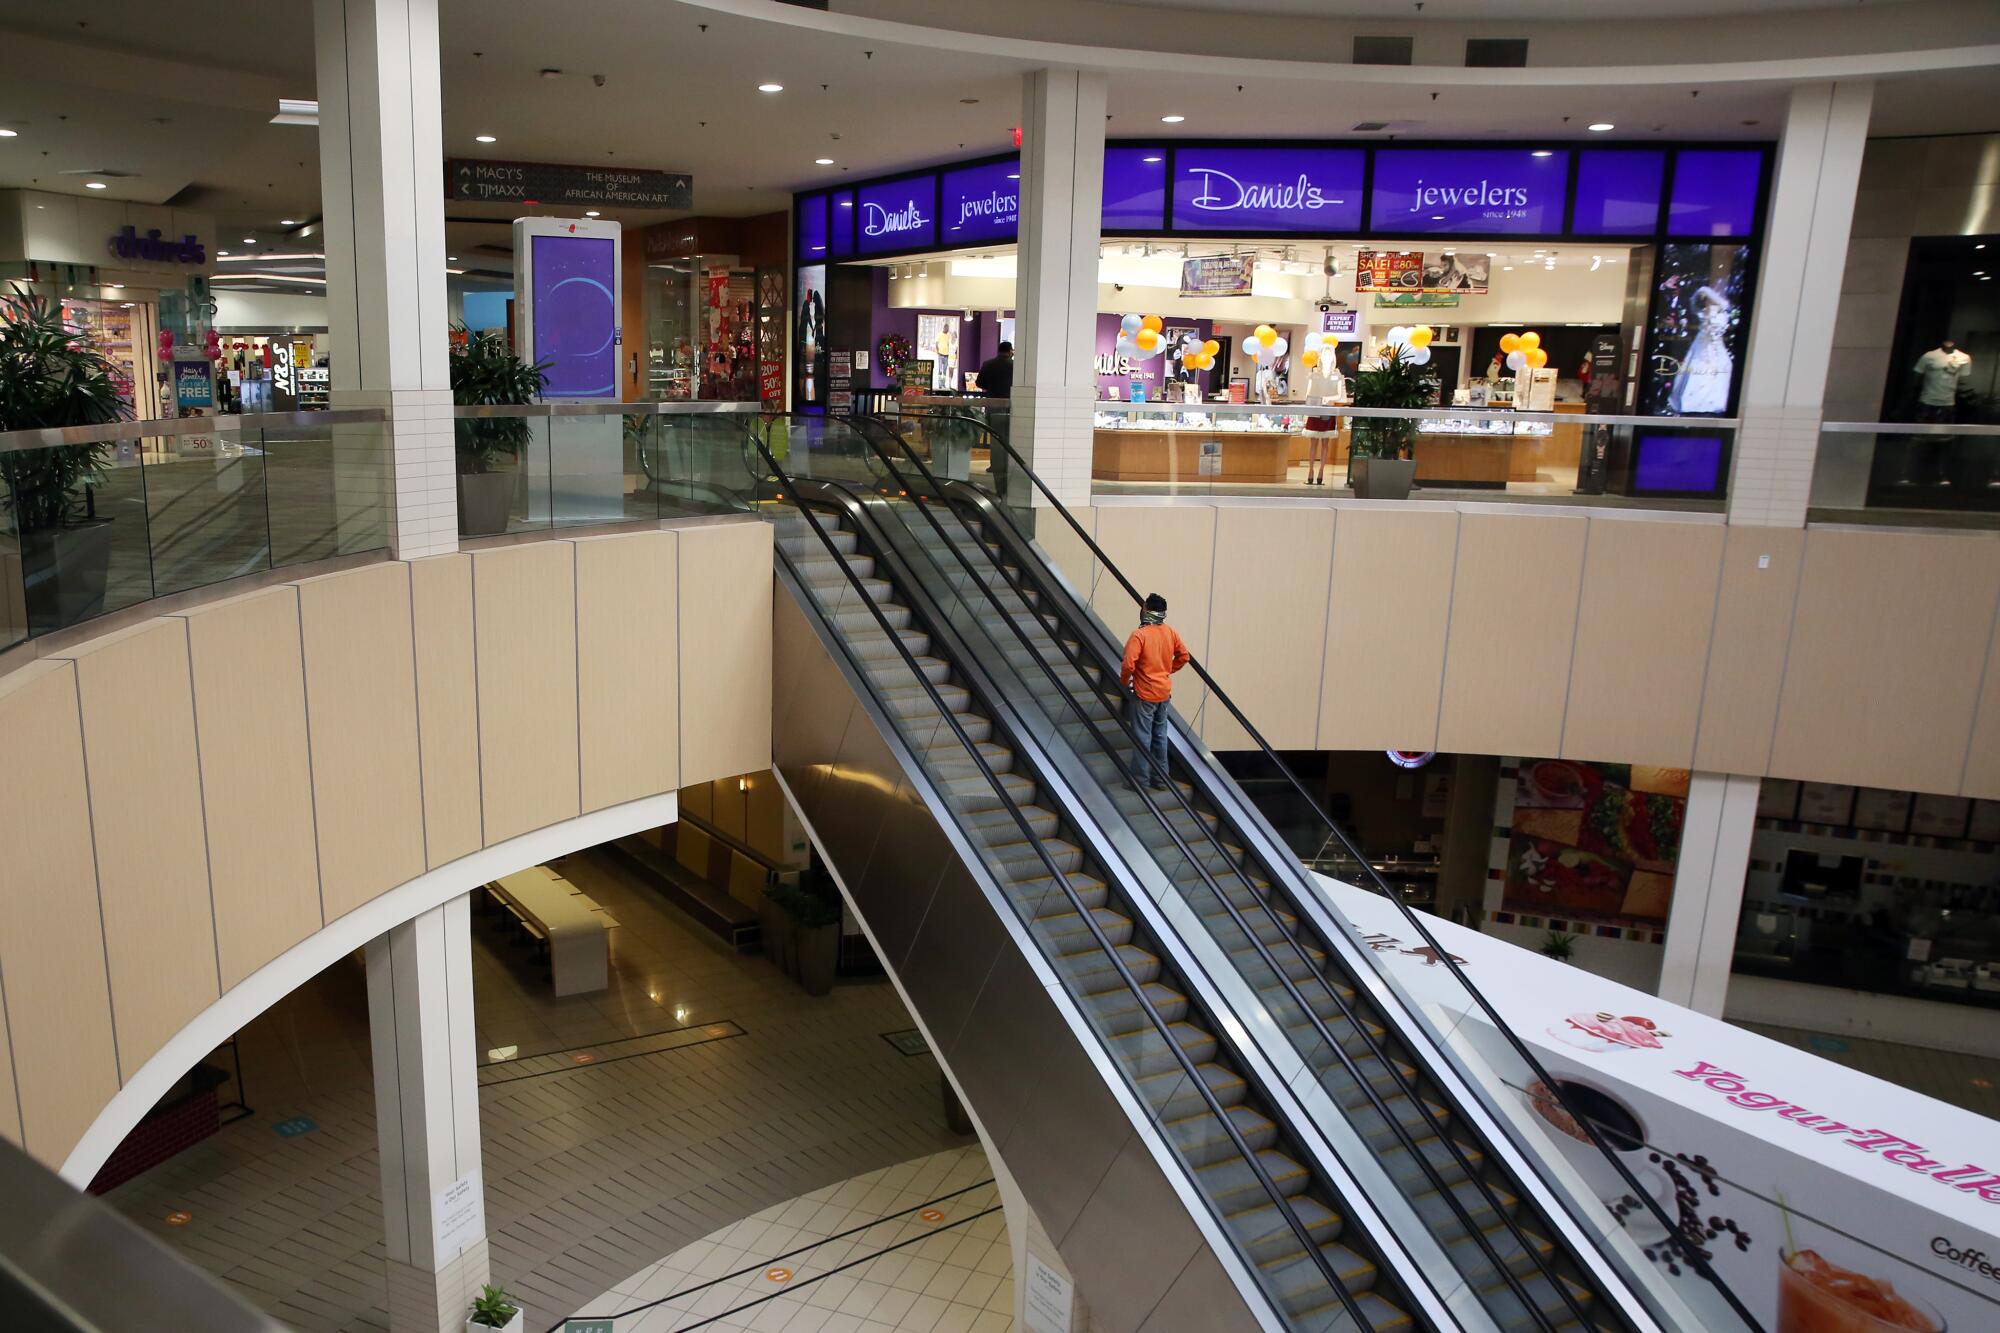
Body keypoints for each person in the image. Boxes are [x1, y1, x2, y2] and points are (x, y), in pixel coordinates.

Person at [1120, 594, 1190, 790]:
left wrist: (1125, 682)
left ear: (1145, 609)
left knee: (1142, 737)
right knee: (1160, 735)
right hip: (1164, 693)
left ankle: (1140, 781)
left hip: (1145, 694)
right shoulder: (1170, 632)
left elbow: (1128, 664)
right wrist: (1168, 670)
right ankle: (1161, 780)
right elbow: (1184, 656)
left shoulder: (1139, 635)